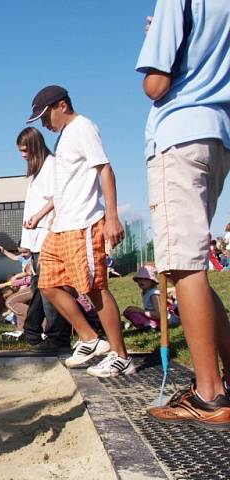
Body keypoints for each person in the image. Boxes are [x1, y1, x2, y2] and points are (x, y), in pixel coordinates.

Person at [137, 0, 230, 426]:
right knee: (192, 264)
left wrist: (156, 40)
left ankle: (209, 393)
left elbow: (156, 84)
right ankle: (221, 380)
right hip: (218, 134)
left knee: (183, 265)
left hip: (180, 131)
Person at [26, 85, 135, 377]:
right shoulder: (63, 139)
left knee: (94, 289)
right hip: (59, 227)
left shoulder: (84, 127)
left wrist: (112, 217)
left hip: (83, 224)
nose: (44, 124)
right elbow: (64, 188)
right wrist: (41, 215)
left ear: (62, 105)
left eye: (45, 116)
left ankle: (121, 356)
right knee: (47, 284)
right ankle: (89, 338)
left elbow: (105, 170)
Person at [14, 126, 72, 354]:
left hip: (49, 236)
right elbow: (33, 204)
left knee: (50, 288)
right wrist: (26, 241)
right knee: (40, 287)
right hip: (37, 238)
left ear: (35, 145)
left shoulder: (51, 166)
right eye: (20, 151)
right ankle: (33, 332)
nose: (23, 155)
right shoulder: (36, 171)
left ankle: (58, 337)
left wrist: (39, 218)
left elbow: (57, 198)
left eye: (25, 150)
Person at [123, 265, 164, 330]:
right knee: (128, 311)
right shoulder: (145, 292)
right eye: (139, 279)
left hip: (159, 320)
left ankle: (150, 325)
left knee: (133, 311)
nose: (141, 281)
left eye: (145, 279)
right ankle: (146, 325)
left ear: (152, 281)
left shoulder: (154, 294)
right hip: (151, 317)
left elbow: (158, 315)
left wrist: (139, 310)